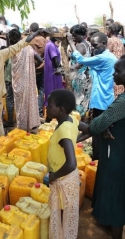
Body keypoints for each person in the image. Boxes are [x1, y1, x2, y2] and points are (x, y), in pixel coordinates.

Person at [78, 54, 125, 239]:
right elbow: (115, 123)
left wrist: (71, 119)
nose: (113, 74)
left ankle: (116, 233)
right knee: (123, 193)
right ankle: (113, 226)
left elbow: (94, 126)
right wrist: (104, 128)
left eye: (117, 71)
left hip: (117, 153)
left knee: (115, 195)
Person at [67, 32, 117, 161]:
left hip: (101, 100)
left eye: (95, 45)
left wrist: (71, 43)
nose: (93, 48)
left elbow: (81, 60)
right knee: (100, 131)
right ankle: (100, 158)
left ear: (104, 44)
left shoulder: (104, 58)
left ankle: (97, 160)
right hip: (104, 99)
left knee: (97, 132)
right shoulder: (107, 56)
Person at [47, 89, 79, 239]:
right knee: (65, 212)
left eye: (50, 105)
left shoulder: (63, 130)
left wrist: (53, 176)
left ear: (60, 110)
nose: (46, 108)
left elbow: (71, 164)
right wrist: (72, 142)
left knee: (62, 213)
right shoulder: (71, 120)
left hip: (63, 179)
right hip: (68, 178)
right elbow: (88, 129)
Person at [8, 29, 41, 131]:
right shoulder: (29, 48)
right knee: (29, 101)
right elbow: (40, 60)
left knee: (20, 104)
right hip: (28, 80)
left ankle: (22, 126)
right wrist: (31, 66)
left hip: (18, 81)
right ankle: (31, 123)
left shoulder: (13, 49)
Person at [69, 24, 92, 117]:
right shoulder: (87, 44)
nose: (73, 38)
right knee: (84, 101)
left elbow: (79, 63)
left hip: (80, 77)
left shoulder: (80, 46)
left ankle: (78, 123)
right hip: (86, 76)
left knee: (78, 101)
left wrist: (66, 69)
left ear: (81, 35)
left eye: (74, 35)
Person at [29, 22, 48, 117]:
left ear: (30, 30)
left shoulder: (29, 40)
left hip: (31, 69)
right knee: (41, 90)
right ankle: (39, 112)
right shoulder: (44, 40)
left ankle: (32, 112)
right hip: (42, 68)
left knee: (31, 91)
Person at [44, 27, 63, 108]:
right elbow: (55, 60)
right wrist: (62, 69)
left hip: (50, 72)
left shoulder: (50, 44)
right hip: (53, 73)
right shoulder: (51, 45)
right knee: (54, 94)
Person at [107, 23, 125, 99]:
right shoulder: (120, 41)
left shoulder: (110, 41)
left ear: (110, 30)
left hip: (112, 68)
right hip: (120, 68)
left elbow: (106, 55)